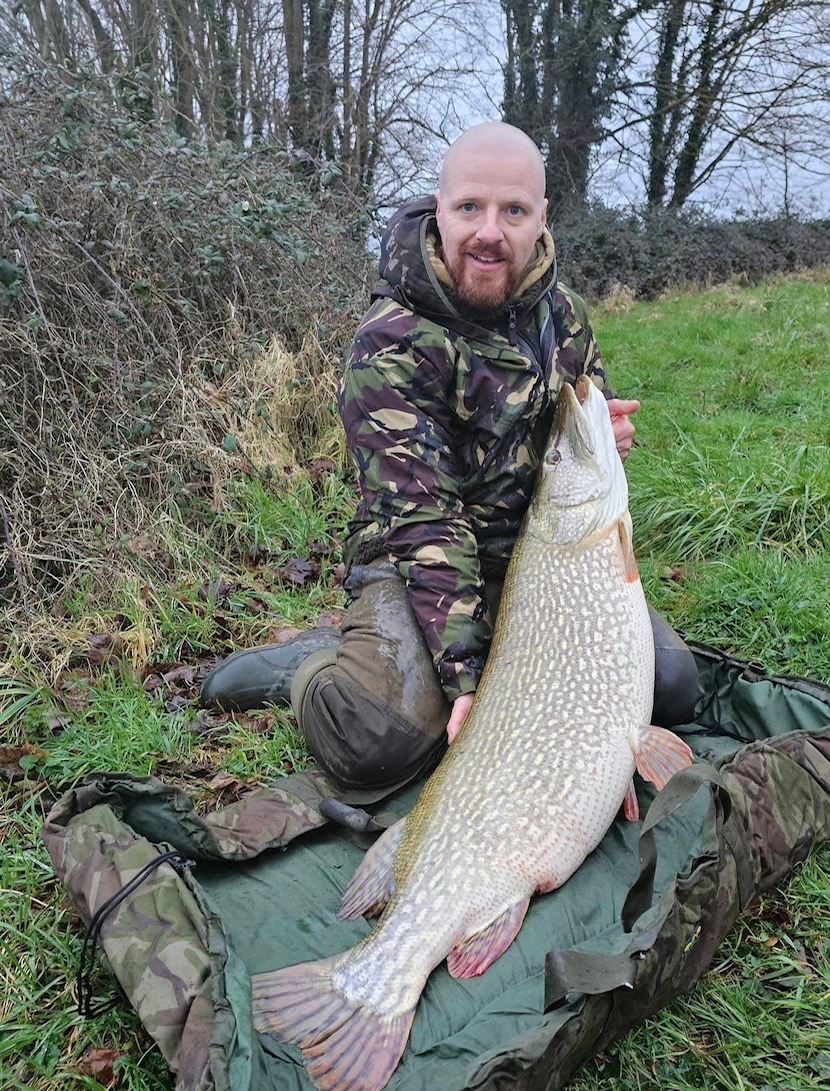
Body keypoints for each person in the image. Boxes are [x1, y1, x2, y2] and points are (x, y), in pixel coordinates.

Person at [200, 122, 701, 800]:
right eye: (470, 208)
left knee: (672, 687)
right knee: (373, 741)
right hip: (415, 561)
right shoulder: (389, 343)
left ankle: (479, 648)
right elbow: (424, 518)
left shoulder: (566, 318)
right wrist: (463, 677)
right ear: (439, 208)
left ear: (541, 220)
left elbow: (576, 444)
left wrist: (604, 443)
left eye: (513, 211)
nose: (489, 232)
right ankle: (310, 666)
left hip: (536, 560)